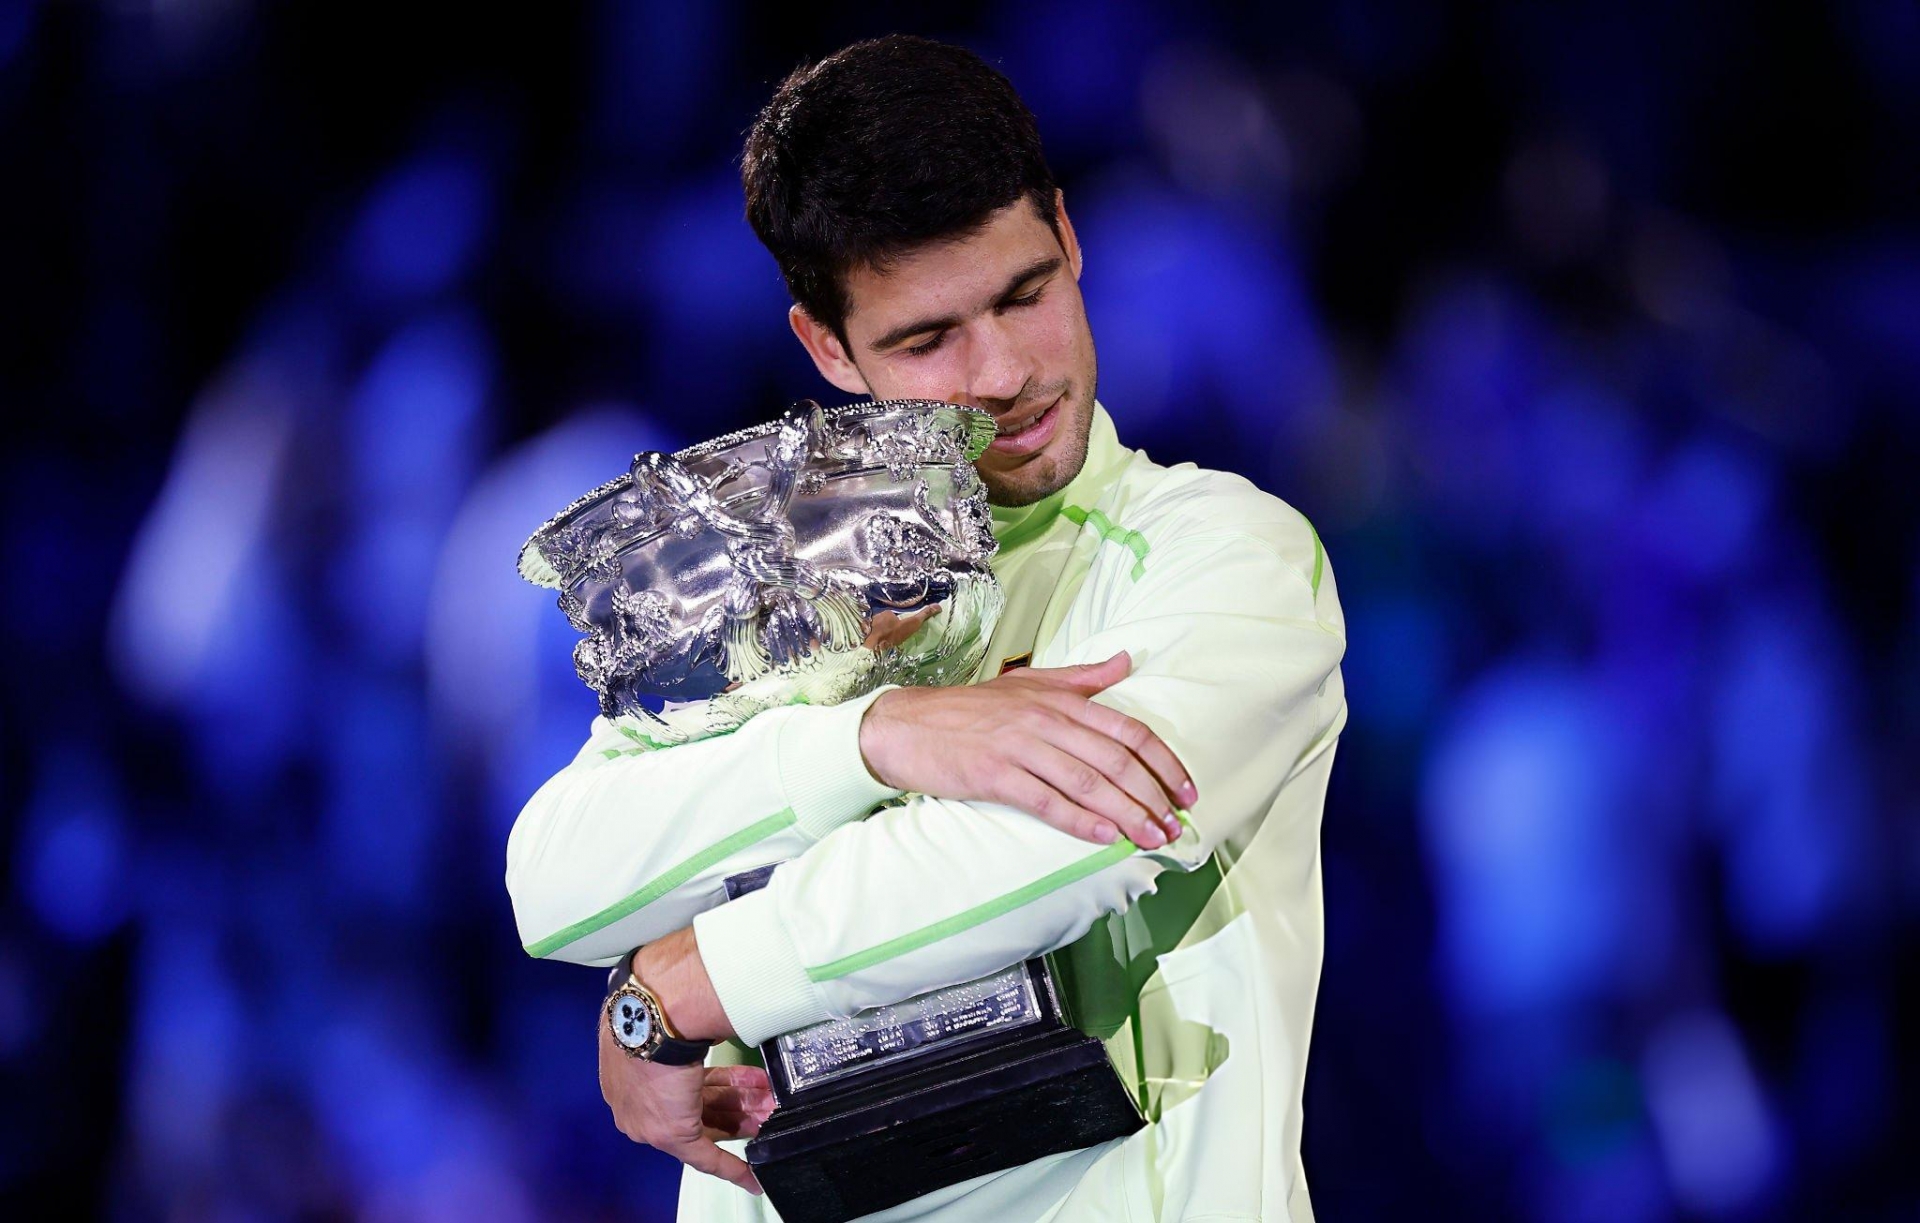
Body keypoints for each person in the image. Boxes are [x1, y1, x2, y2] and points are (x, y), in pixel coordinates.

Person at [505, 33, 1348, 1222]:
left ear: (1069, 237)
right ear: (827, 345)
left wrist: (688, 980)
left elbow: (1072, 845)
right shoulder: (756, 576)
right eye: (926, 338)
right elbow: (557, 882)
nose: (1002, 371)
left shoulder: (1225, 555)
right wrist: (872, 738)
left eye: (1024, 293)